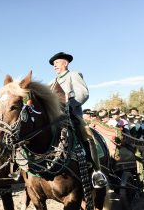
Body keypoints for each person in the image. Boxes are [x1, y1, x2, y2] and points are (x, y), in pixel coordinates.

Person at [49, 52, 107, 188]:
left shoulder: (73, 75)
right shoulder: (51, 83)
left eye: (57, 63)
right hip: (55, 119)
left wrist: (69, 104)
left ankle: (96, 172)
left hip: (72, 116)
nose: (54, 66)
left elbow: (83, 93)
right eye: (53, 64)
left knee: (87, 136)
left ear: (66, 63)